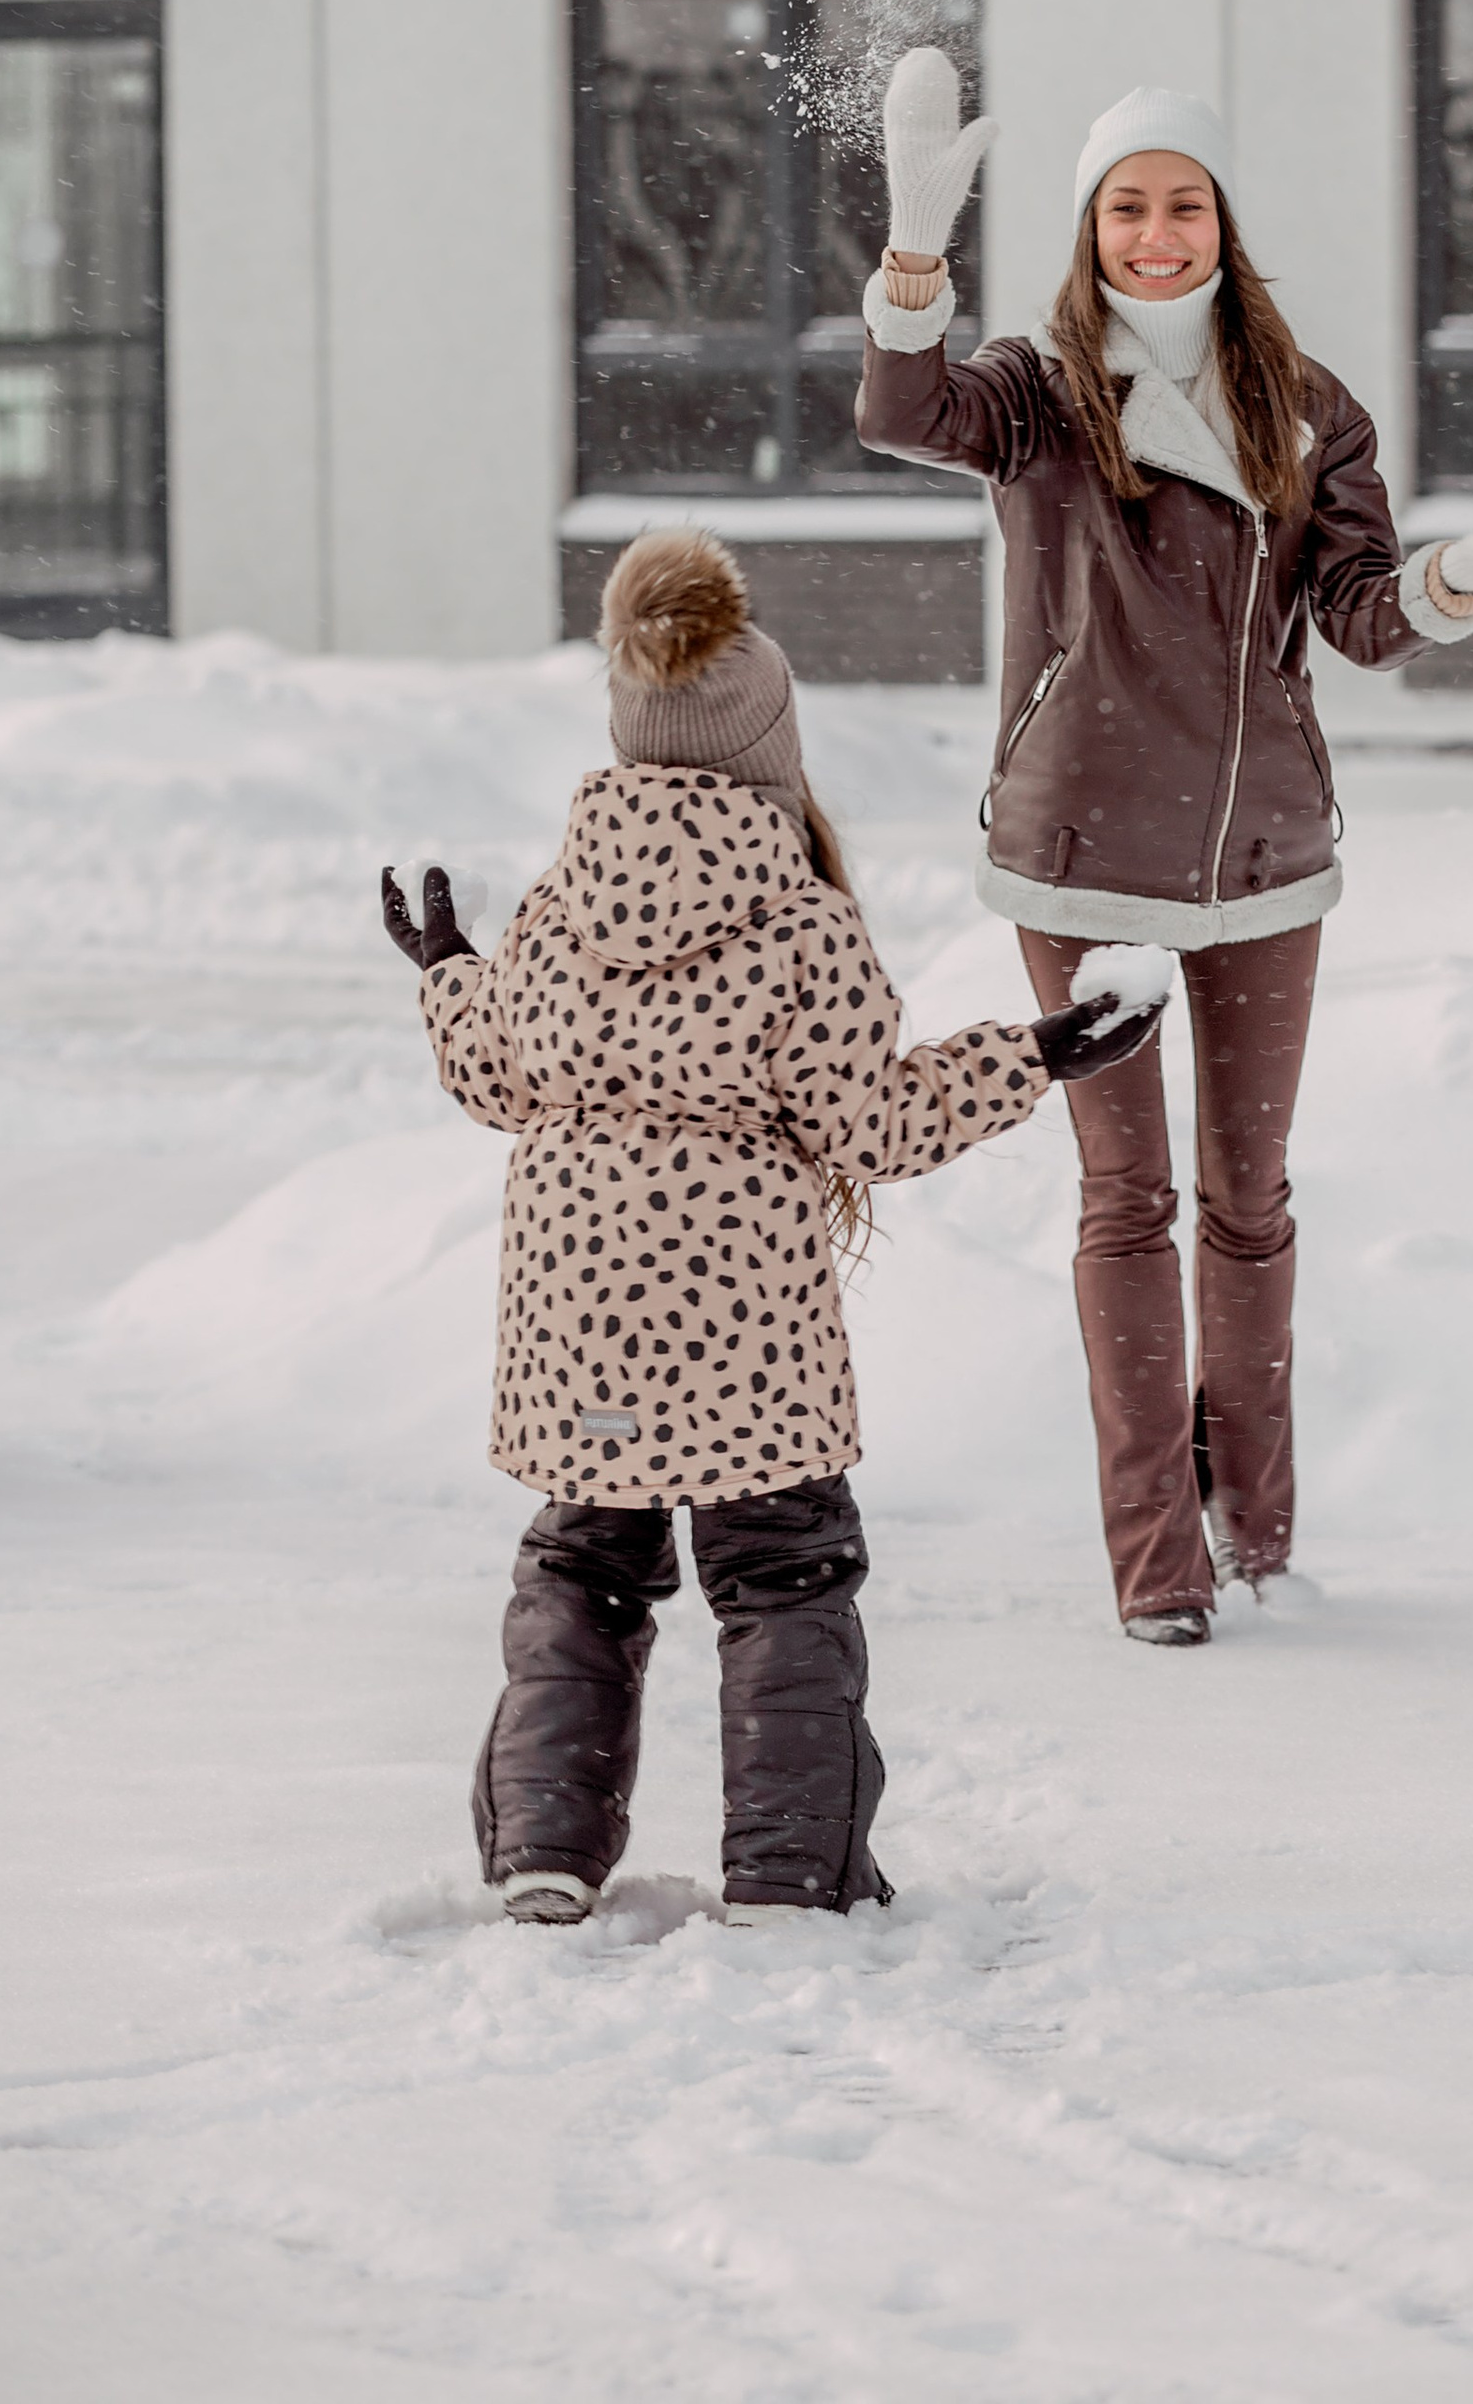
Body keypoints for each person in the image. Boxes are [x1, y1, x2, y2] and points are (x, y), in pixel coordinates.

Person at [855, 59, 1473, 1647]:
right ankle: (1157, 1566)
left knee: (1248, 1200)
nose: (1157, 231)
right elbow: (902, 412)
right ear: (1091, 226)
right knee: (1127, 1203)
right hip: (1082, 844)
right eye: (1128, 204)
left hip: (1264, 853)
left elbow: (1364, 615)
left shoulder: (1307, 406)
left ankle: (1259, 1536)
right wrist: (916, 245)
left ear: (1224, 221)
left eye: (1183, 202)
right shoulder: (1037, 386)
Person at [381, 525, 1160, 1928]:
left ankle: (546, 1850)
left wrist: (447, 971)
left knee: (583, 1563)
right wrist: (1034, 1057)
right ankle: (792, 1870)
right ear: (765, 751)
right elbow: (872, 1125)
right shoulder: (797, 919)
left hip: (577, 1313)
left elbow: (494, 1072)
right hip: (742, 1319)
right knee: (785, 1574)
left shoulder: (561, 903)